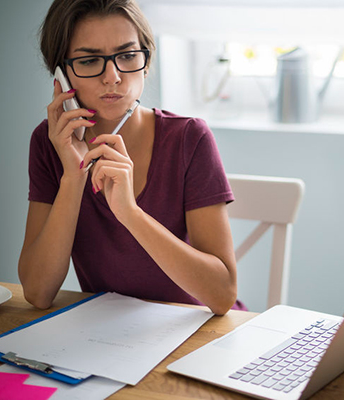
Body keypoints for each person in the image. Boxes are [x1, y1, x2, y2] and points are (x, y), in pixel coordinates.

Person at [19, 0, 244, 315]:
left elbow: (222, 296)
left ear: (146, 62)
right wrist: (73, 177)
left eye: (126, 56)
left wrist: (129, 213)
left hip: (198, 332)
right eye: (89, 60)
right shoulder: (48, 144)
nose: (112, 77)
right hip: (110, 338)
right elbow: (38, 292)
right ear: (61, 75)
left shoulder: (190, 138)